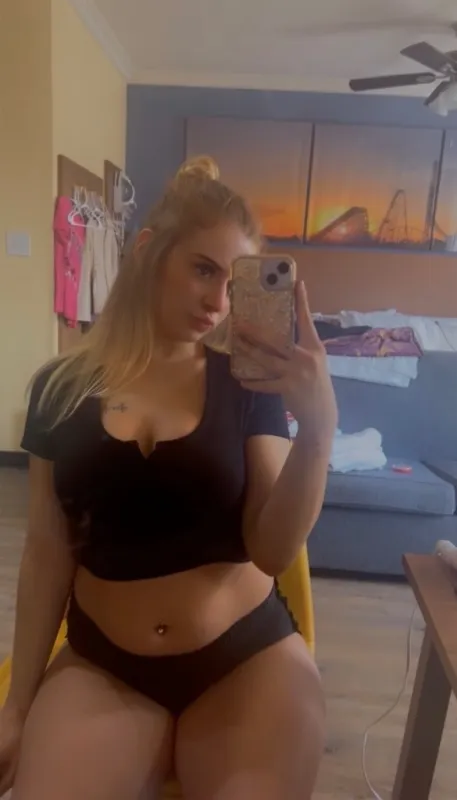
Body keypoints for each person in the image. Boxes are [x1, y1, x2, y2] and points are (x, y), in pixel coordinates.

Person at [0, 156, 337, 800]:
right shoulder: (59, 390)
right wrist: (17, 706)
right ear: (149, 251)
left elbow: (272, 550)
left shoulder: (247, 387)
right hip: (104, 665)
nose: (217, 302)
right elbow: (46, 552)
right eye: (203, 270)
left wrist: (318, 429)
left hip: (245, 660)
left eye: (233, 284)